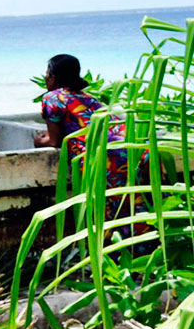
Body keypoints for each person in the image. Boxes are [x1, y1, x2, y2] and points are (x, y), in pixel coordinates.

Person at [36, 54, 148, 224]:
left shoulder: (52, 98)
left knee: (114, 216)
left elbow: (54, 141)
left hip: (108, 159)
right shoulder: (89, 98)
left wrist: (38, 140)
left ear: (53, 77)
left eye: (47, 73)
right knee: (141, 209)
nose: (45, 77)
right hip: (137, 152)